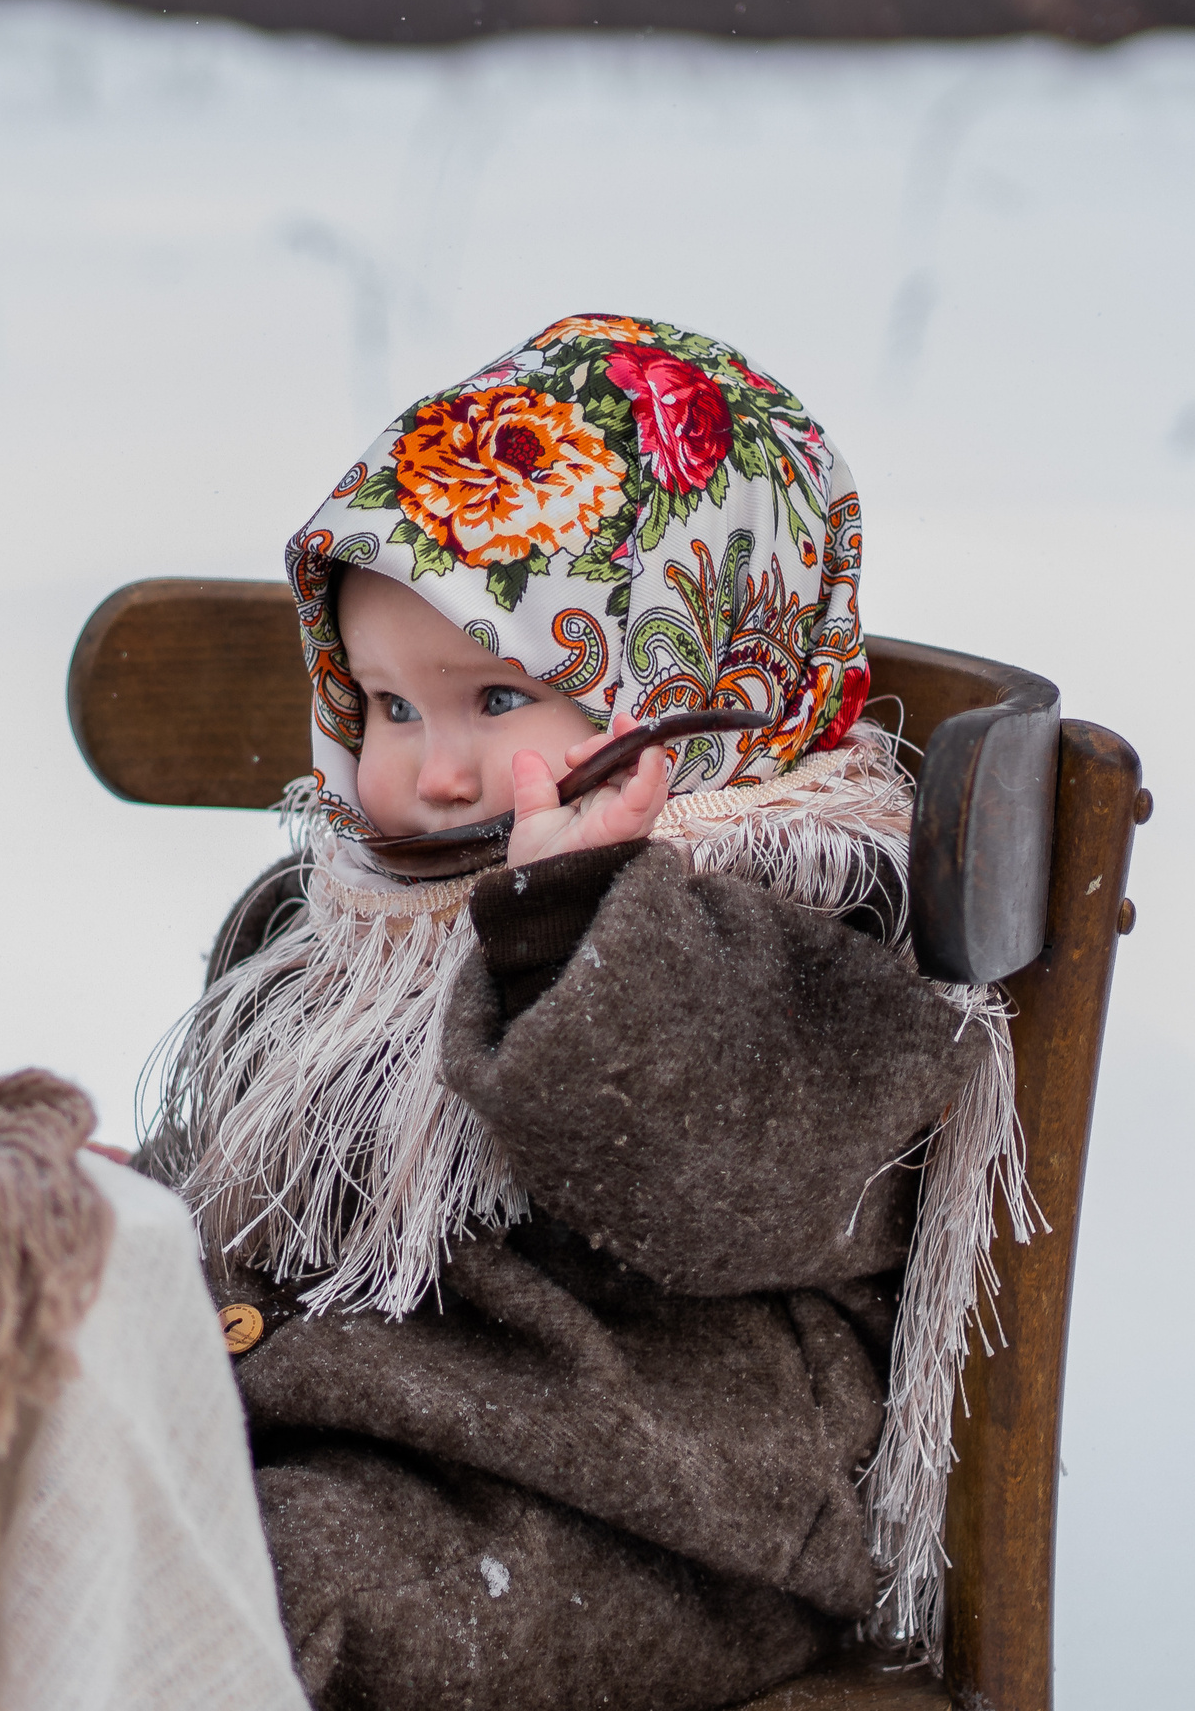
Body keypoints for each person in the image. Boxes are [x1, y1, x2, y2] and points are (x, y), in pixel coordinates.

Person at [137, 316, 1026, 1711]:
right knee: (13, 1465)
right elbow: (272, 1166)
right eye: (388, 707)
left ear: (694, 686)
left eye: (498, 696)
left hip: (637, 1510)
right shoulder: (372, 913)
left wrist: (575, 925)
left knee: (266, 1593)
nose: (431, 772)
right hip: (353, 1420)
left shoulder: (801, 926)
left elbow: (718, 1176)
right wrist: (137, 1221)